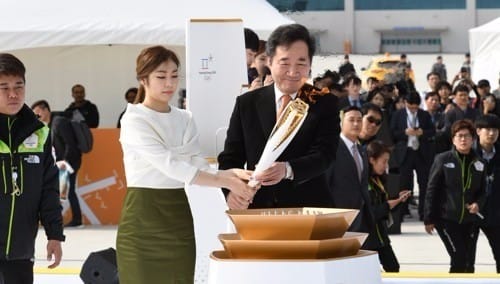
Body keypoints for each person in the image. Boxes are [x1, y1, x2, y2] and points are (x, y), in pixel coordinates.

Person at [116, 45, 256, 283]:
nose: (169, 83)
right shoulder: (133, 119)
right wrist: (224, 180)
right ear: (143, 79)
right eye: (161, 77)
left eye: (174, 75)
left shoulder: (185, 118)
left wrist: (229, 173)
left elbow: (195, 164)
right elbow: (171, 165)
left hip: (177, 217)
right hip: (141, 220)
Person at [218, 23, 340, 210]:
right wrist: (231, 192)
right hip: (258, 209)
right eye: (284, 63)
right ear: (269, 61)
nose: (293, 72)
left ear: (310, 64)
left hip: (309, 210)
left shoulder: (322, 102)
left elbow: (325, 155)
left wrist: (288, 169)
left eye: (301, 63)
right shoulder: (247, 103)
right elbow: (230, 158)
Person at [0, 53, 64, 283]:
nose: (13, 94)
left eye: (19, 86)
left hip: (21, 252)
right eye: (4, 87)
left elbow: (48, 190)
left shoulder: (40, 133)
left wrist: (55, 235)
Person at [424, 119, 486, 273]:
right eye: (459, 136)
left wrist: (478, 204)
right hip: (446, 219)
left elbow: (484, 191)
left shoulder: (480, 162)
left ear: (473, 139)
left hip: (470, 221)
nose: (463, 139)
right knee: (459, 258)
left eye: (467, 136)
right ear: (453, 139)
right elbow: (432, 189)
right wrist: (428, 217)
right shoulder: (443, 159)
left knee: (469, 263)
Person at [31, 100, 83, 227]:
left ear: (46, 110)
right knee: (62, 192)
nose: (37, 117)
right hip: (61, 163)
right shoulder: (48, 125)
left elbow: (69, 143)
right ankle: (64, 220)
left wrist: (65, 161)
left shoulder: (59, 122)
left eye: (38, 114)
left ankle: (76, 220)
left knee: (65, 192)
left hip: (68, 163)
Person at [364, 140, 410, 272]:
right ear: (372, 160)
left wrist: (397, 200)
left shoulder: (379, 179)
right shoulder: (362, 181)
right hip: (368, 240)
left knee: (393, 268)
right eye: (384, 161)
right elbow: (368, 212)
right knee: (370, 272)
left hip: (381, 237)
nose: (386, 165)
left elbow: (385, 206)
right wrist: (388, 205)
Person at [390, 92, 435, 221]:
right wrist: (405, 132)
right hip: (405, 152)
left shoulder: (424, 115)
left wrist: (422, 132)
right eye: (411, 107)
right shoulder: (398, 115)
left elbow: (432, 131)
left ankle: (423, 212)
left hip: (421, 153)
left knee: (424, 183)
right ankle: (403, 210)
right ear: (405, 103)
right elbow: (392, 133)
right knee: (404, 183)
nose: (413, 109)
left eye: (415, 107)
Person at [328, 106, 372, 233]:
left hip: (361, 216)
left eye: (359, 120)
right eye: (351, 120)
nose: (356, 123)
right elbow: (325, 184)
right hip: (338, 216)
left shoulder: (361, 150)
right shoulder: (332, 149)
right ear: (341, 122)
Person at [474, 115, 500, 273]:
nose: (491, 133)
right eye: (487, 129)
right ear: (478, 131)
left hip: (496, 212)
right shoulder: (467, 153)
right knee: (466, 259)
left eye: (495, 130)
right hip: (472, 212)